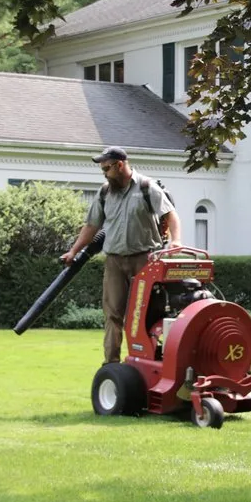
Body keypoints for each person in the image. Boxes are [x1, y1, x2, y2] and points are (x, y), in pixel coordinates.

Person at [61, 146, 182, 364]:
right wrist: (73, 251)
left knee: (145, 316)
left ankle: (147, 362)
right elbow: (91, 225)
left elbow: (171, 215)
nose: (104, 174)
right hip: (114, 262)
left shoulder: (146, 187)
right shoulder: (105, 192)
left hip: (144, 260)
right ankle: (112, 366)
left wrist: (176, 241)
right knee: (113, 316)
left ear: (120, 165)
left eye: (107, 169)